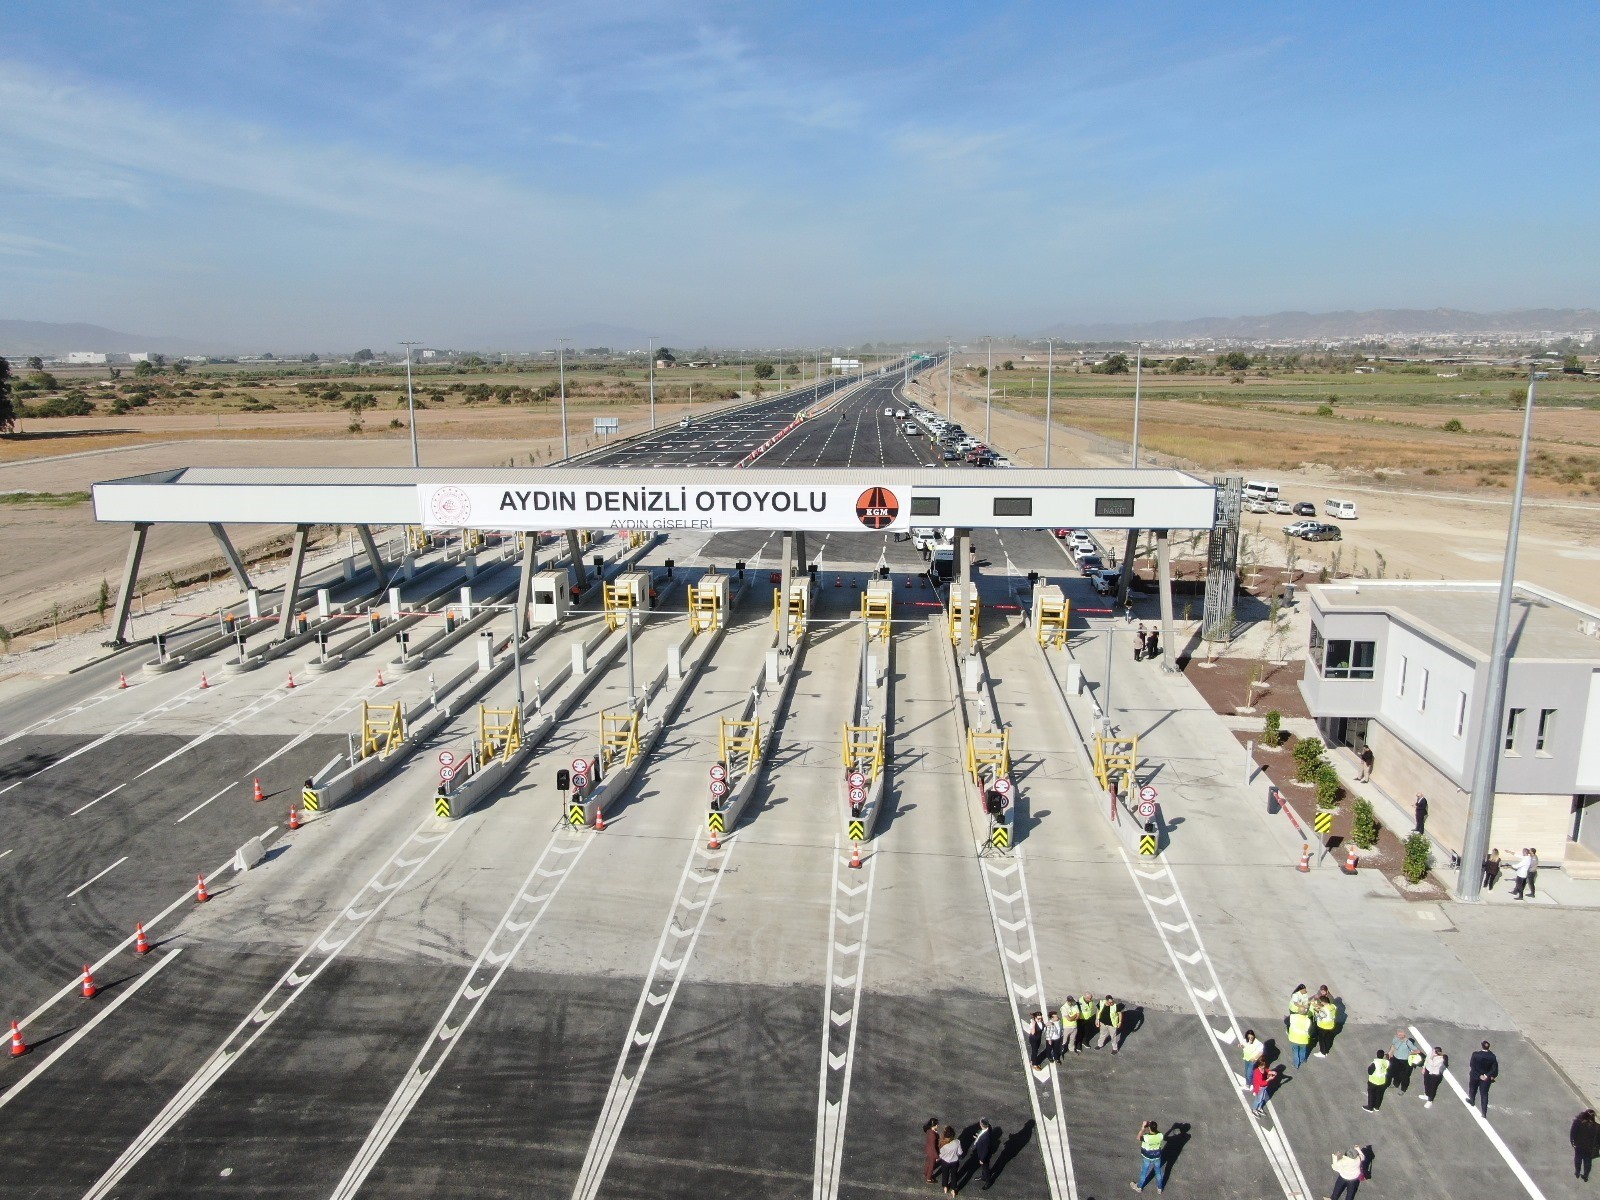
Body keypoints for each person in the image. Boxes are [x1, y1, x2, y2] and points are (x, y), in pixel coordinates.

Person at [1131, 1119, 1166, 1193]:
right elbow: (1157, 1132)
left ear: (1149, 1128)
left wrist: (1143, 1128)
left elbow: (1138, 1137)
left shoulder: (1146, 1137)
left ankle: (1139, 1187)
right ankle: (1160, 1188)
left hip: (1147, 1157)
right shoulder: (1160, 1135)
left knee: (1144, 1172)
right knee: (1158, 1172)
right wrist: (1152, 1125)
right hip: (1157, 1156)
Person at [1468, 1040, 1498, 1116]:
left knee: (1472, 1089)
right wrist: (1487, 1075)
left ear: (1482, 1046)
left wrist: (1479, 1075)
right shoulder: (1492, 1057)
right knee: (1484, 1094)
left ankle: (1472, 1101)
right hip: (1486, 1078)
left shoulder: (1475, 1055)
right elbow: (1494, 1069)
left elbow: (1472, 1066)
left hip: (1475, 1075)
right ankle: (1484, 1112)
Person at [967, 1118, 998, 1191]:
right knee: (984, 1167)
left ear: (982, 1125)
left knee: (985, 1167)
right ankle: (984, 1176)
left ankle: (988, 1181)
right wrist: (978, 1137)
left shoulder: (986, 1137)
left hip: (983, 1155)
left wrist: (982, 1159)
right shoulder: (987, 1129)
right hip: (982, 1151)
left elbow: (986, 1150)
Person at [1572, 1109, 1600, 1182]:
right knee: (1588, 1161)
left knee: (1578, 1158)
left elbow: (1573, 1132)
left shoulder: (1578, 1122)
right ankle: (1586, 1175)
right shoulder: (1597, 1127)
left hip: (1579, 1145)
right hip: (1590, 1148)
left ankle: (1577, 1171)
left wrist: (1573, 1141)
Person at [936, 1126, 962, 1195]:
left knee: (945, 1174)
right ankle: (954, 1189)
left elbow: (940, 1155)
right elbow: (960, 1152)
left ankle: (945, 1187)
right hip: (954, 1161)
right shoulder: (957, 1142)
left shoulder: (944, 1145)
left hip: (945, 1162)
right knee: (954, 1175)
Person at [922, 1118, 941, 1185]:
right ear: (934, 1125)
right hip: (932, 1152)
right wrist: (937, 1156)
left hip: (928, 1150)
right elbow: (933, 1147)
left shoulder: (929, 1131)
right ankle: (929, 1178)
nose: (938, 1125)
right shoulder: (933, 1135)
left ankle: (925, 1173)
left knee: (928, 1162)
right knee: (931, 1165)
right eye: (937, 1124)